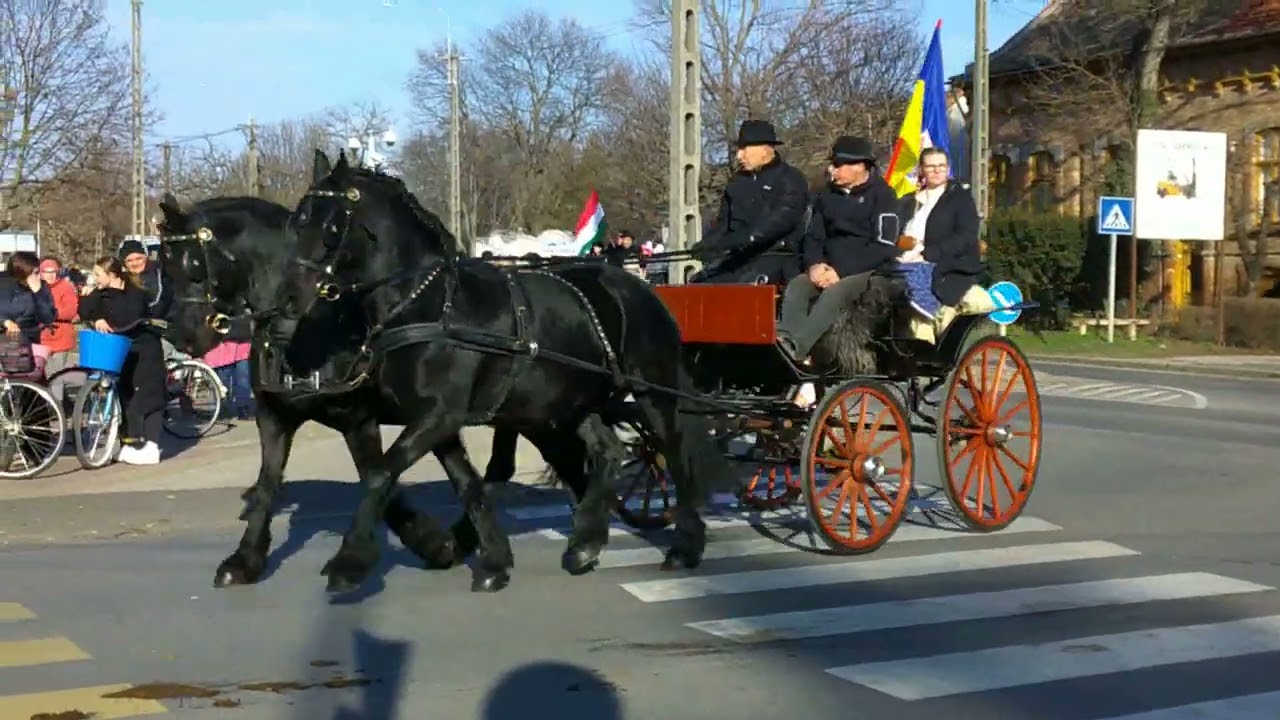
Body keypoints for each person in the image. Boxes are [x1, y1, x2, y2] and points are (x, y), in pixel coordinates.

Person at [777, 135, 901, 364]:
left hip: (869, 268)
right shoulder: (827, 196)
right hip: (827, 266)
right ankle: (785, 341)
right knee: (798, 286)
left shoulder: (884, 196)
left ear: (859, 166)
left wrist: (840, 271)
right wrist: (814, 265)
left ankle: (798, 349)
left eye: (838, 165)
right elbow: (814, 236)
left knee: (836, 293)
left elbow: (883, 245)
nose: (831, 170)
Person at [693, 119, 808, 284]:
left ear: (764, 148)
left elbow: (779, 222)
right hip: (739, 258)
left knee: (746, 288)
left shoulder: (790, 179)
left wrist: (743, 238)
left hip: (777, 256)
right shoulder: (737, 183)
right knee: (699, 285)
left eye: (744, 149)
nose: (739, 155)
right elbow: (724, 224)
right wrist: (708, 244)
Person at [79, 256, 167, 466]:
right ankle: (130, 443)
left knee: (148, 396)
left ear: (113, 275)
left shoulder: (134, 293)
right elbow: (84, 310)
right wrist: (96, 316)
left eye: (98, 275)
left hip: (144, 349)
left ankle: (152, 445)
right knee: (124, 394)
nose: (95, 279)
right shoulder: (101, 292)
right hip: (119, 349)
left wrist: (112, 296)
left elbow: (126, 316)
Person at [895, 147, 985, 322]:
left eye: (941, 166)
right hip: (903, 260)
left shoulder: (960, 198)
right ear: (921, 169)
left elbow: (966, 236)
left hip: (947, 266)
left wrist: (928, 253)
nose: (937, 170)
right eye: (931, 166)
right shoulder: (908, 200)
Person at [0, 252, 55, 378]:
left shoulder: (41, 287)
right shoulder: (4, 285)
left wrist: (38, 293)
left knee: (31, 384)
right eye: (34, 272)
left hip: (29, 343)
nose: (38, 276)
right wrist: (5, 322)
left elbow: (48, 317)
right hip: (4, 341)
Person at [119, 239, 175, 357]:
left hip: (161, 329)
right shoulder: (122, 279)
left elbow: (160, 301)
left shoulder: (158, 272)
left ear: (146, 256)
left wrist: (139, 316)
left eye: (139, 258)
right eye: (129, 260)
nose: (135, 263)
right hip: (132, 331)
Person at [37, 257, 79, 396]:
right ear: (40, 273)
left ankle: (57, 406)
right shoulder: (36, 288)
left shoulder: (66, 287)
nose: (50, 275)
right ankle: (45, 405)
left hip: (61, 338)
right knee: (42, 375)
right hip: (41, 339)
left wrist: (50, 312)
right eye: (46, 272)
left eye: (53, 271)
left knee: (56, 376)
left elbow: (70, 311)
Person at [201, 316, 254, 420]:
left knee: (243, 378)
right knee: (224, 379)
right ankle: (223, 408)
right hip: (223, 343)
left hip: (241, 339)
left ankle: (242, 408)